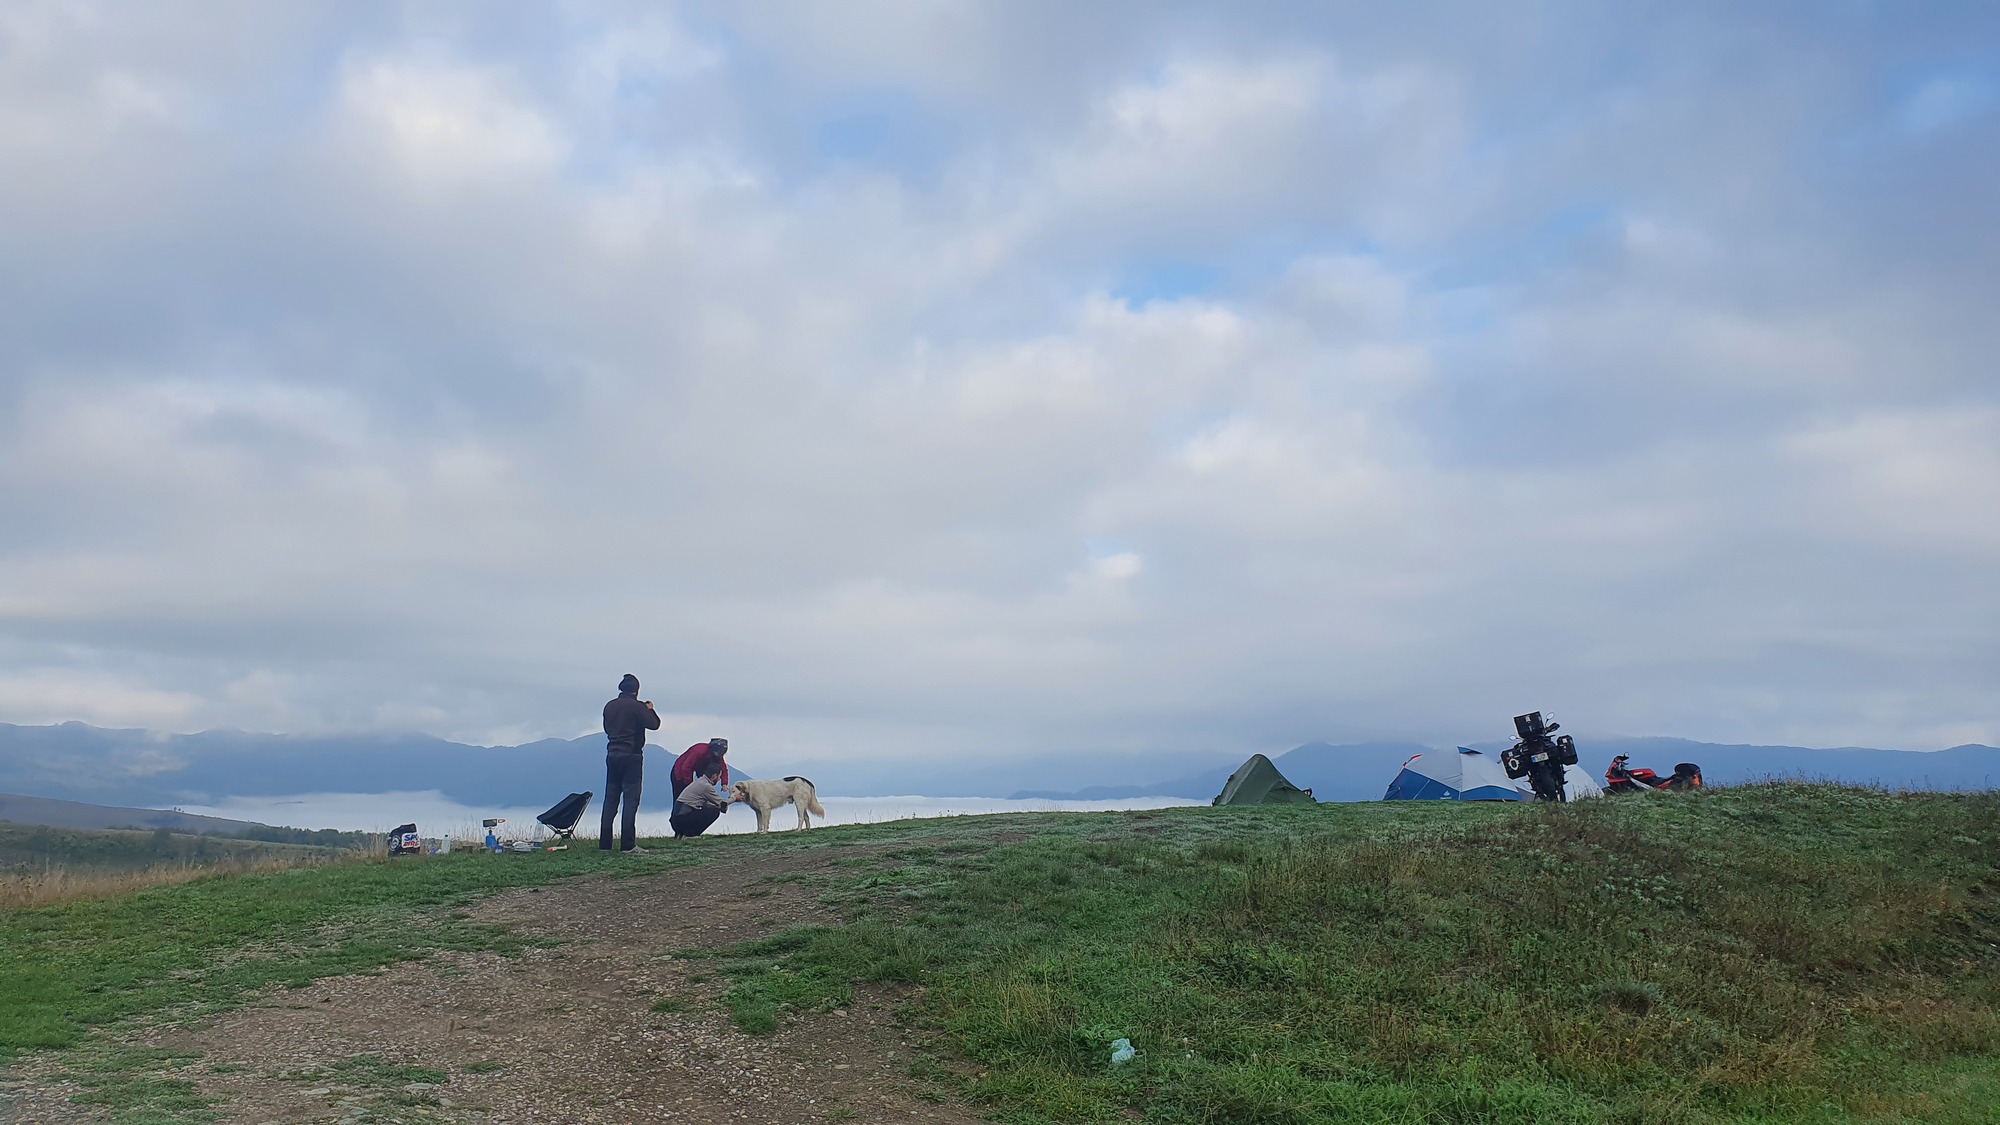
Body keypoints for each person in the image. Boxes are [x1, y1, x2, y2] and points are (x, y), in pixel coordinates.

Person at [600, 673, 660, 853]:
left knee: (610, 800)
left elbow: (607, 728)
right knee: (630, 800)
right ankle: (627, 845)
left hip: (612, 755)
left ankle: (605, 845)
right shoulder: (637, 707)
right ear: (636, 690)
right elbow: (654, 724)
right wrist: (650, 709)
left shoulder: (609, 706)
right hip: (631, 756)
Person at [671, 761, 733, 839]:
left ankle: (681, 834)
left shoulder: (699, 782)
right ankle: (690, 835)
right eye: (719, 776)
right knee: (714, 812)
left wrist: (719, 806)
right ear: (714, 776)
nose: (719, 779)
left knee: (711, 808)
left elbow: (706, 804)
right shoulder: (706, 786)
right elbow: (722, 803)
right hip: (683, 820)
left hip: (676, 821)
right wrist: (734, 798)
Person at [670, 737, 730, 804]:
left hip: (696, 769)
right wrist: (690, 785)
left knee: (699, 796)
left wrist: (724, 783)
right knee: (680, 798)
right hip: (679, 771)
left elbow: (723, 768)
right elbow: (686, 767)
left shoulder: (717, 755)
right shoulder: (699, 751)